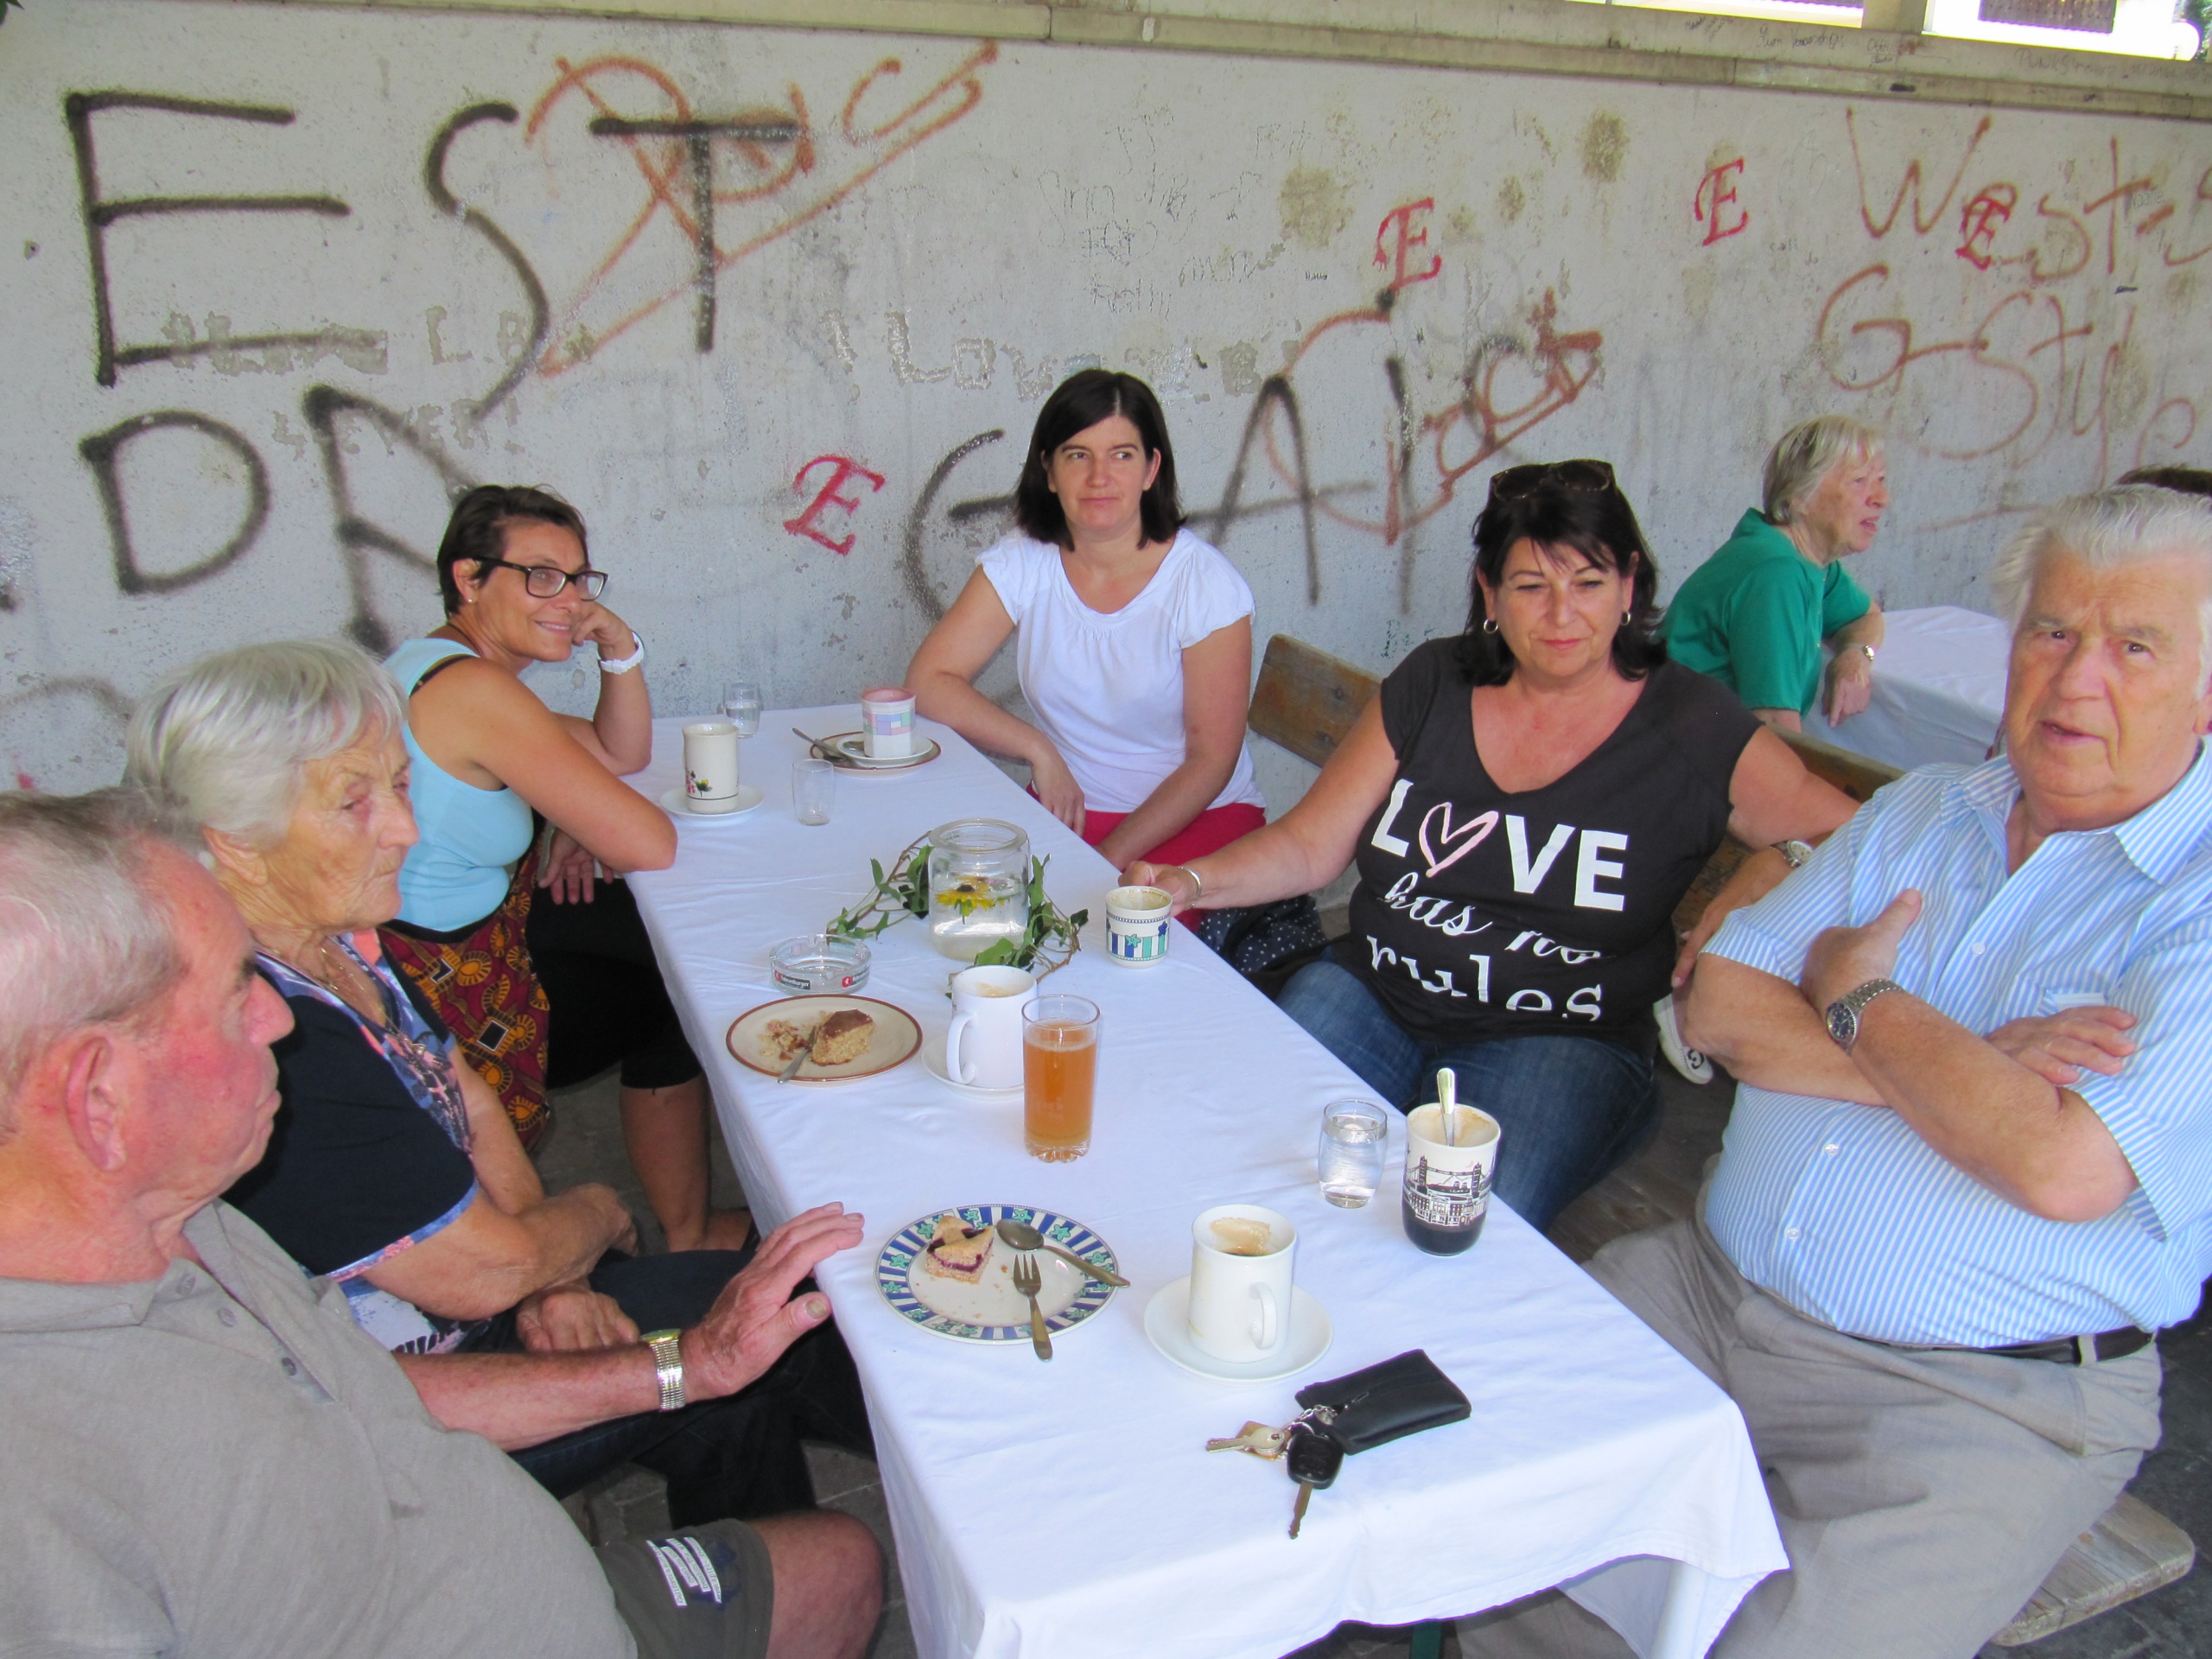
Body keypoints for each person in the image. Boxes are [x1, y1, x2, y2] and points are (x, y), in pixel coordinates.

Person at [1480, 484, 2212, 1658]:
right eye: (2051, 630)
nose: (2076, 678)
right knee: (1486, 1510)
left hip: (1974, 1400)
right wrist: (1974, 1072)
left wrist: (1858, 996)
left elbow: (2063, 1166)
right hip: (1710, 1293)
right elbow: (1720, 1005)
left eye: (2135, 646)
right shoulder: (1928, 810)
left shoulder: (2195, 898)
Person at [0, 789, 880, 1659]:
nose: (277, 1016)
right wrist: (596, 1233)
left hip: (512, 1567)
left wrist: (688, 1365)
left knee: (838, 1561)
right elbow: (477, 1275)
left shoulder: (185, 1220)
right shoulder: (41, 1484)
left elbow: (367, 1391)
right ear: (99, 1098)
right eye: (235, 994)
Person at [126, 641, 869, 1520]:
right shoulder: (267, 1036)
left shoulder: (334, 943)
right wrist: (598, 1216)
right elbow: (485, 1272)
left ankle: (755, 1566)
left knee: (741, 1367)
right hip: (393, 1415)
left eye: (400, 786)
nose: (404, 828)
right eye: (354, 803)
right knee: (799, 1330)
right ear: (236, 844)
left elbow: (471, 1102)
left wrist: (559, 1282)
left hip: (487, 1308)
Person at [1127, 461, 1858, 1230]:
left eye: (1588, 583)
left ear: (1629, 586)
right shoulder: (1434, 683)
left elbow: (1862, 834)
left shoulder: (1689, 724)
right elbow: (1312, 844)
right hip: (1377, 992)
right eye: (1531, 586)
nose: (1561, 614)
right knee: (1258, 1160)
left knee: (1461, 1220)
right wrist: (1190, 883)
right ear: (1490, 592)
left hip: (1558, 1036)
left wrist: (1782, 861)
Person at [385, 484, 746, 1254]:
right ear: (469, 578)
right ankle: (687, 1235)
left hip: (436, 945)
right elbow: (648, 844)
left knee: (645, 938)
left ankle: (689, 1227)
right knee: (674, 977)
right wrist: (574, 814)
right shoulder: (477, 691)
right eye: (541, 576)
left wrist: (620, 647)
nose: (572, 600)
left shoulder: (433, 664)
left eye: (580, 579)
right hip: (445, 991)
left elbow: (621, 752)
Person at [906, 368, 1267, 874]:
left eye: (1122, 455)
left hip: (1196, 820)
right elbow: (928, 682)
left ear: (1151, 469)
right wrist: (1039, 750)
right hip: (1067, 812)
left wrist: (1103, 865)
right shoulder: (1024, 561)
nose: (1100, 476)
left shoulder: (1204, 584)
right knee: (953, 897)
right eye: (1078, 455)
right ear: (1049, 471)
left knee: (1098, 920)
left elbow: (1211, 762)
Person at [1664, 414, 1889, 732]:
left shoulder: (1811, 562)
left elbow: (1867, 616)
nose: (1881, 499)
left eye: (1881, 480)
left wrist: (1856, 655)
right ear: (1800, 497)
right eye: (1859, 481)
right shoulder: (1777, 573)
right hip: (1681, 747)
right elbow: (1774, 728)